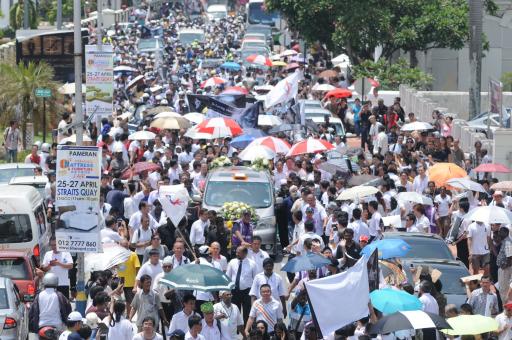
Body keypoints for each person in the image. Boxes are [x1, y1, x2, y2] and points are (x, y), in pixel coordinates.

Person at [226, 246, 257, 324]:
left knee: (247, 311)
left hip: (247, 292)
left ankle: (247, 330)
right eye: (236, 252)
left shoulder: (252, 264)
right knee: (235, 311)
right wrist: (227, 291)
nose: (236, 254)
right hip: (234, 291)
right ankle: (235, 329)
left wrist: (255, 293)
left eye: (239, 253)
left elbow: (255, 279)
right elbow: (228, 276)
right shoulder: (232, 262)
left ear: (245, 253)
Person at [116, 239, 140, 317]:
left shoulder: (133, 255)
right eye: (123, 246)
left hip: (130, 282)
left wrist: (137, 283)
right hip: (120, 281)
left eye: (126, 246)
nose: (124, 248)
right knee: (120, 301)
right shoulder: (117, 255)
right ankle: (122, 315)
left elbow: (137, 268)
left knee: (129, 301)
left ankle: (128, 317)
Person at [497, 226, 512, 302]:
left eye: (501, 232)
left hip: (505, 269)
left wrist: (505, 266)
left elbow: (510, 257)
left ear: (506, 233)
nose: (499, 233)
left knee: (504, 289)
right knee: (502, 288)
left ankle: (506, 308)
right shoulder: (505, 241)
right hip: (503, 268)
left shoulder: (508, 242)